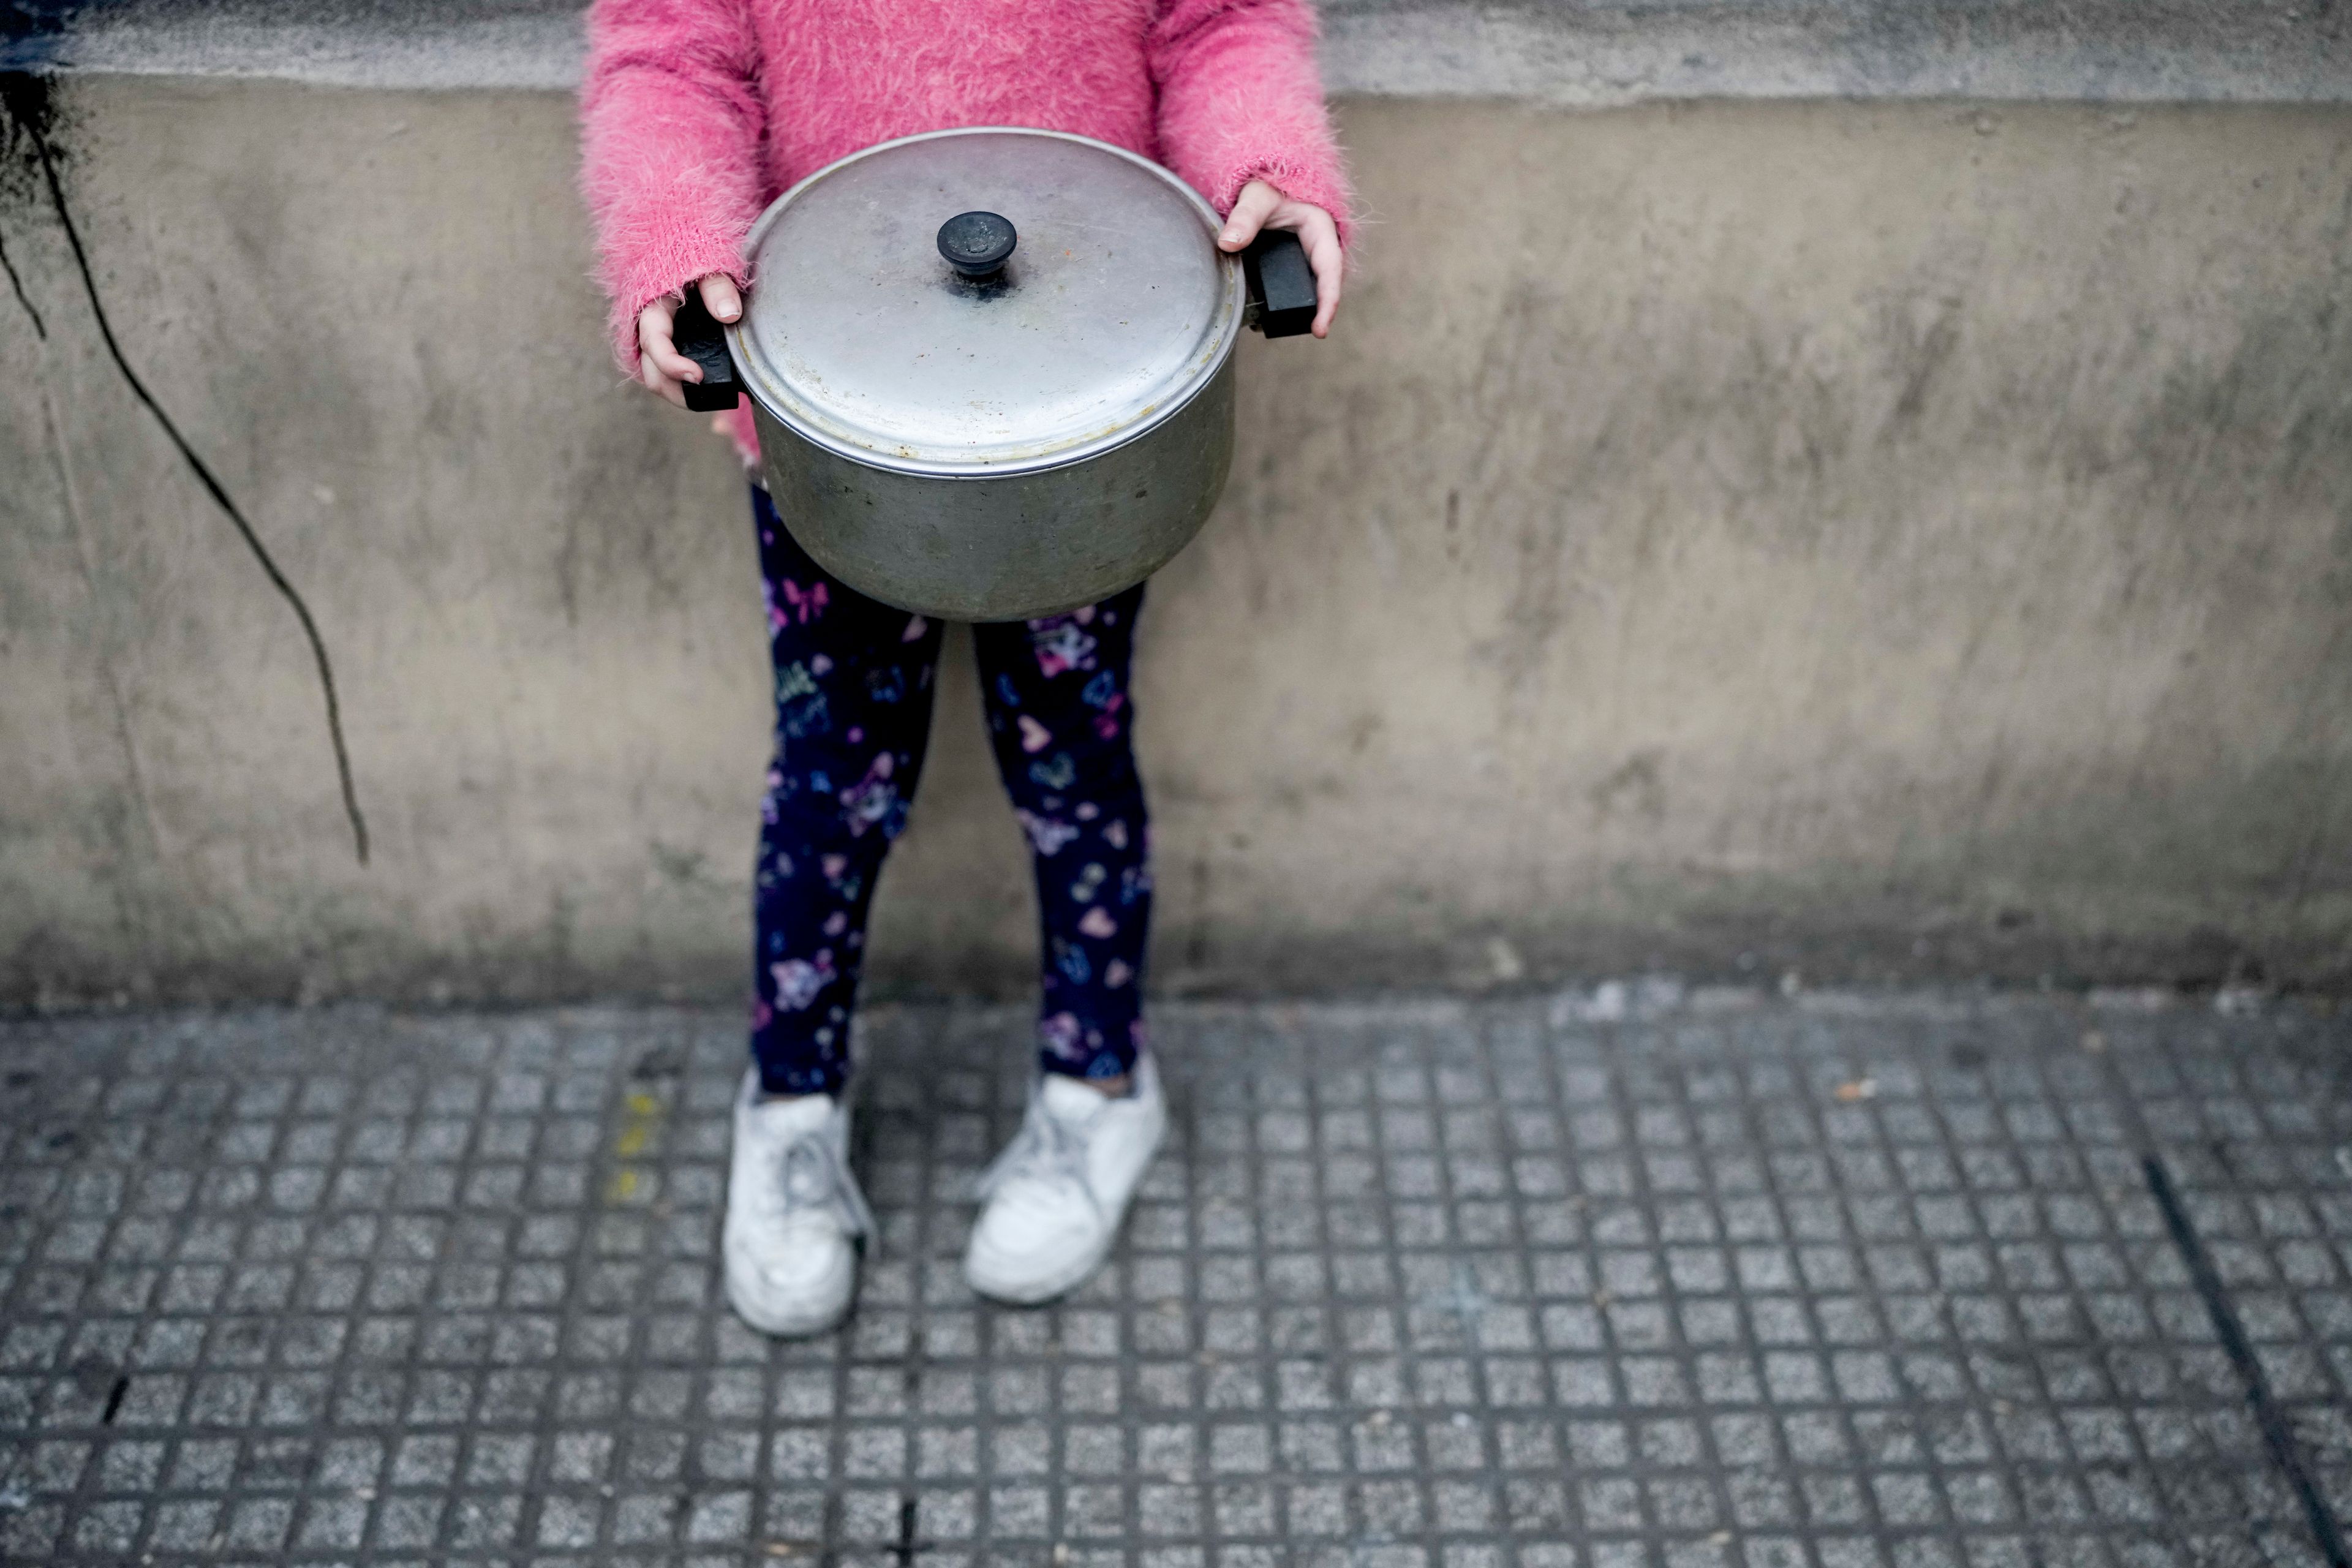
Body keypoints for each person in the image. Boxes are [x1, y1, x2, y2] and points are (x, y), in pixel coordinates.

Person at [579, 0, 1351, 1336]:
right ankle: (792, 1104)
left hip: (1083, 436)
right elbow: (669, 55)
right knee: (833, 778)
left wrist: (1262, 164)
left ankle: (1099, 1085)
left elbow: (1225, 24)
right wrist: (674, 242)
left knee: (1072, 761)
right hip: (830, 428)